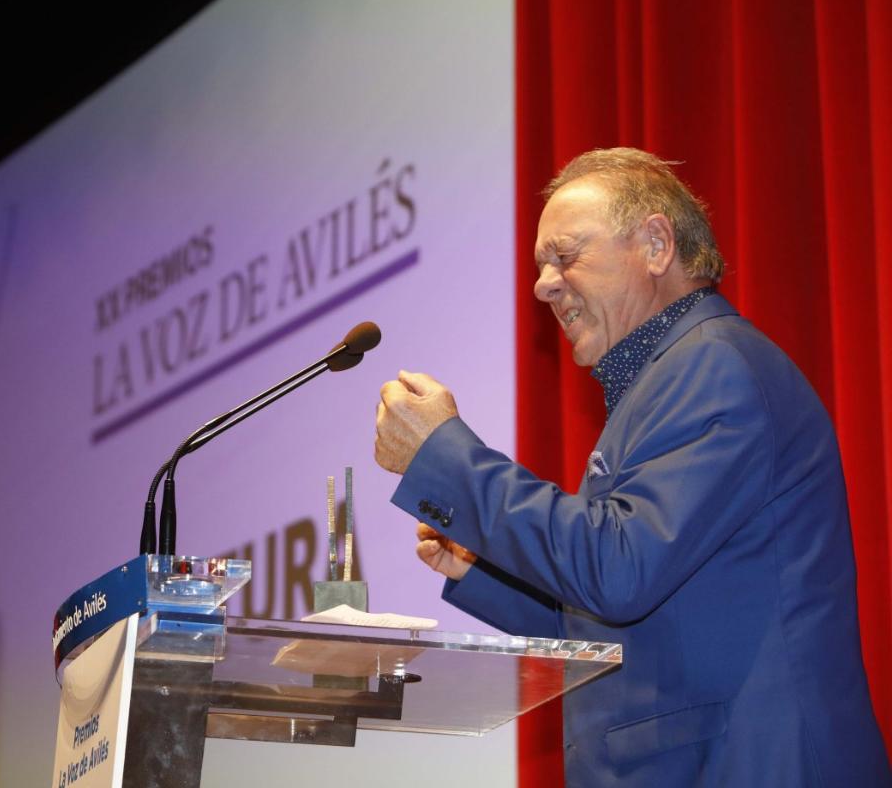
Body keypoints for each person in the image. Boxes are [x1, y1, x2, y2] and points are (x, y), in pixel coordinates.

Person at [375, 148, 890, 786]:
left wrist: (446, 457)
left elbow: (619, 570)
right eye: (540, 265)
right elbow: (626, 618)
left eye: (564, 255)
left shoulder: (713, 365)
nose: (543, 284)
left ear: (654, 244)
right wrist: (485, 567)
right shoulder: (665, 379)